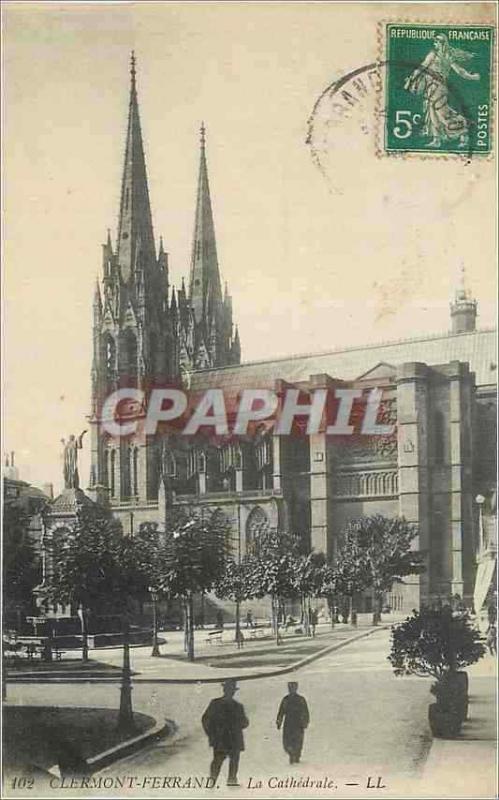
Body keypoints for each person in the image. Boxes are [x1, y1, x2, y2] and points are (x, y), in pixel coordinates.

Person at [404, 33, 480, 149]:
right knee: (432, 113)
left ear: (441, 43)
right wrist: (471, 76)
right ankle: (436, 139)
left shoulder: (437, 55)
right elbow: (460, 71)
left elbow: (422, 67)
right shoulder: (445, 56)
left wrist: (472, 77)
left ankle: (465, 129)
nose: (435, 44)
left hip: (438, 87)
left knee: (442, 112)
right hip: (431, 87)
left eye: (436, 42)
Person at [202, 679, 249, 787]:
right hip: (232, 740)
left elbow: (205, 719)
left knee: (218, 762)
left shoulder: (215, 703)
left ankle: (212, 783)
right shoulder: (238, 706)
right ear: (233, 692)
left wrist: (211, 734)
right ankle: (230, 782)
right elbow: (245, 723)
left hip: (221, 740)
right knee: (232, 762)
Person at [276, 681, 310, 764]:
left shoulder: (301, 699)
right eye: (290, 688)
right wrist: (279, 721)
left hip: (298, 723)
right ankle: (291, 754)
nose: (291, 690)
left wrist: (305, 721)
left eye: (293, 688)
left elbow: (305, 711)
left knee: (298, 740)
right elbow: (281, 711)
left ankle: (297, 755)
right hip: (288, 723)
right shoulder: (286, 700)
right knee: (287, 741)